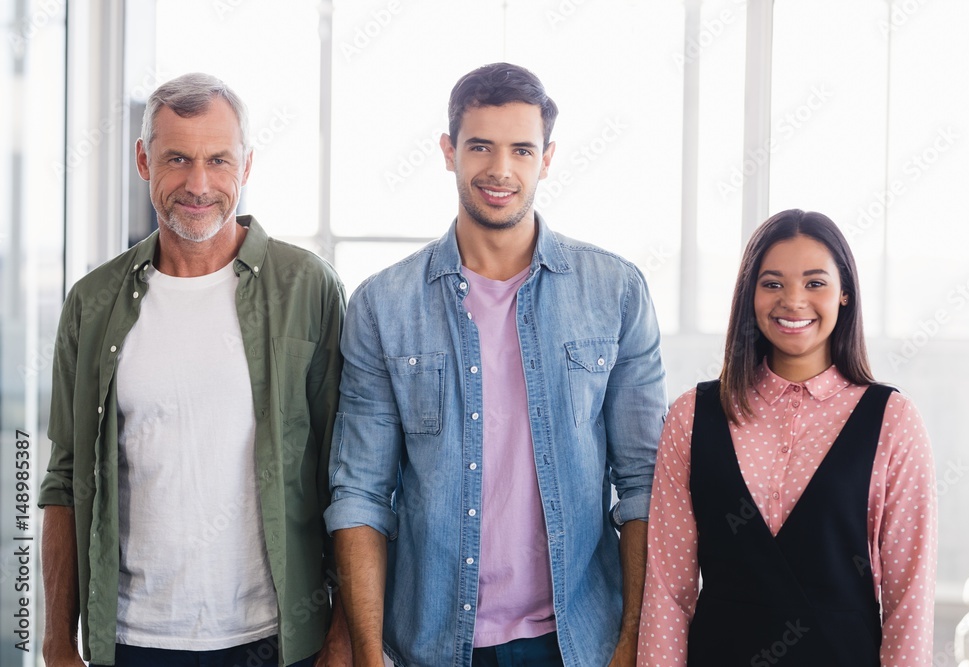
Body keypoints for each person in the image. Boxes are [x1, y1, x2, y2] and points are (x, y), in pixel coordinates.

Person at [325, 62, 667, 667]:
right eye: (480, 146)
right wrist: (370, 654)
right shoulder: (384, 305)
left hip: (577, 641)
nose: (500, 170)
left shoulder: (615, 292)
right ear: (448, 150)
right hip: (429, 643)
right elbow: (361, 493)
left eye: (521, 149)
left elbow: (643, 485)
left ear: (548, 157)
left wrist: (632, 639)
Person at [39, 73, 350, 667]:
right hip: (132, 643)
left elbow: (350, 474)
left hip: (278, 641)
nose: (198, 184)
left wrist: (342, 639)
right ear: (142, 160)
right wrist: (55, 643)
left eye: (219, 160)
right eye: (177, 158)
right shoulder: (92, 303)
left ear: (248, 165)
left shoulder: (307, 287)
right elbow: (63, 478)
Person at [637, 209, 937, 666]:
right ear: (749, 296)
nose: (793, 301)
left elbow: (908, 602)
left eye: (815, 283)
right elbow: (667, 590)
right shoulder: (692, 416)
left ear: (844, 295)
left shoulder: (893, 421)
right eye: (773, 283)